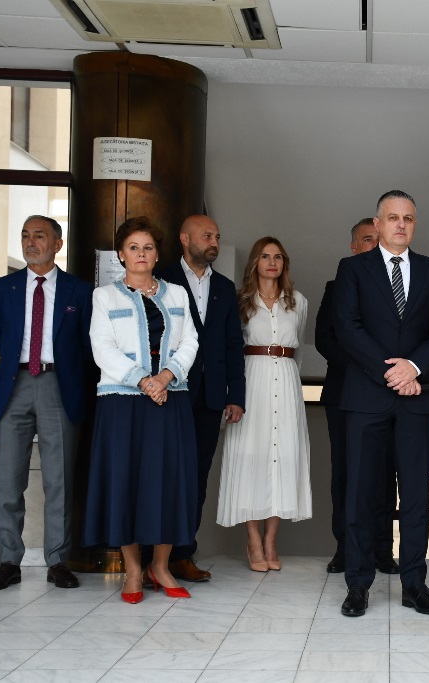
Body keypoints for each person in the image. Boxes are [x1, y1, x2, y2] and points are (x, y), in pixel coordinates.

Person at [332, 190, 429, 617]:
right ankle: (358, 584)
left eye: (408, 218)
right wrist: (392, 372)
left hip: (417, 399)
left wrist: (414, 367)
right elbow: (347, 327)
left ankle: (414, 583)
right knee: (361, 494)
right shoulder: (352, 269)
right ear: (378, 223)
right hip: (368, 396)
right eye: (393, 217)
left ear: (414, 224)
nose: (401, 224)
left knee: (417, 493)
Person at [83, 216, 200, 604]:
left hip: (170, 399)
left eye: (148, 247)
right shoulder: (105, 297)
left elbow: (190, 341)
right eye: (133, 247)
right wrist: (143, 380)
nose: (141, 254)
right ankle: (133, 570)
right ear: (121, 254)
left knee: (169, 483)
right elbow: (102, 347)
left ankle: (160, 567)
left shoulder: (177, 295)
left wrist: (165, 377)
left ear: (157, 254)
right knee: (126, 483)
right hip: (123, 403)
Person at [0, 215, 93, 592]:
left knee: (58, 480)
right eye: (25, 236)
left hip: (57, 386)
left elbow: (85, 346)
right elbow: (1, 335)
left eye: (40, 236)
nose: (31, 242)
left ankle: (57, 561)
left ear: (57, 244)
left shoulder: (80, 291)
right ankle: (8, 562)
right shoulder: (4, 288)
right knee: (8, 480)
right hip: (14, 384)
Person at [152, 215, 245, 582]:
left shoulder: (224, 286)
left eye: (217, 237)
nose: (214, 242)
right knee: (162, 475)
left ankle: (182, 555)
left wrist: (235, 395)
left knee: (196, 478)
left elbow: (233, 345)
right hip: (169, 393)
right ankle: (150, 557)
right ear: (185, 238)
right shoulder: (161, 280)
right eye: (207, 236)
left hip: (210, 397)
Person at [217, 236, 311, 572]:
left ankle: (271, 540)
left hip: (285, 380)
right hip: (251, 378)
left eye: (278, 257)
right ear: (255, 262)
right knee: (251, 456)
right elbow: (230, 347)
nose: (272, 262)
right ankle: (253, 539)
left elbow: (298, 348)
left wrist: (289, 379)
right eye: (265, 256)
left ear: (285, 263)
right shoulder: (240, 300)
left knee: (282, 457)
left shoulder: (297, 301)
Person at [316, 218, 398, 576]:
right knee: (347, 474)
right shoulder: (337, 287)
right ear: (353, 247)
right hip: (347, 392)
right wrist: (367, 368)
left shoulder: (401, 286)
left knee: (385, 473)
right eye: (367, 239)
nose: (374, 245)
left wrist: (384, 372)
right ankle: (346, 549)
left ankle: (382, 549)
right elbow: (324, 339)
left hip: (391, 393)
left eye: (379, 239)